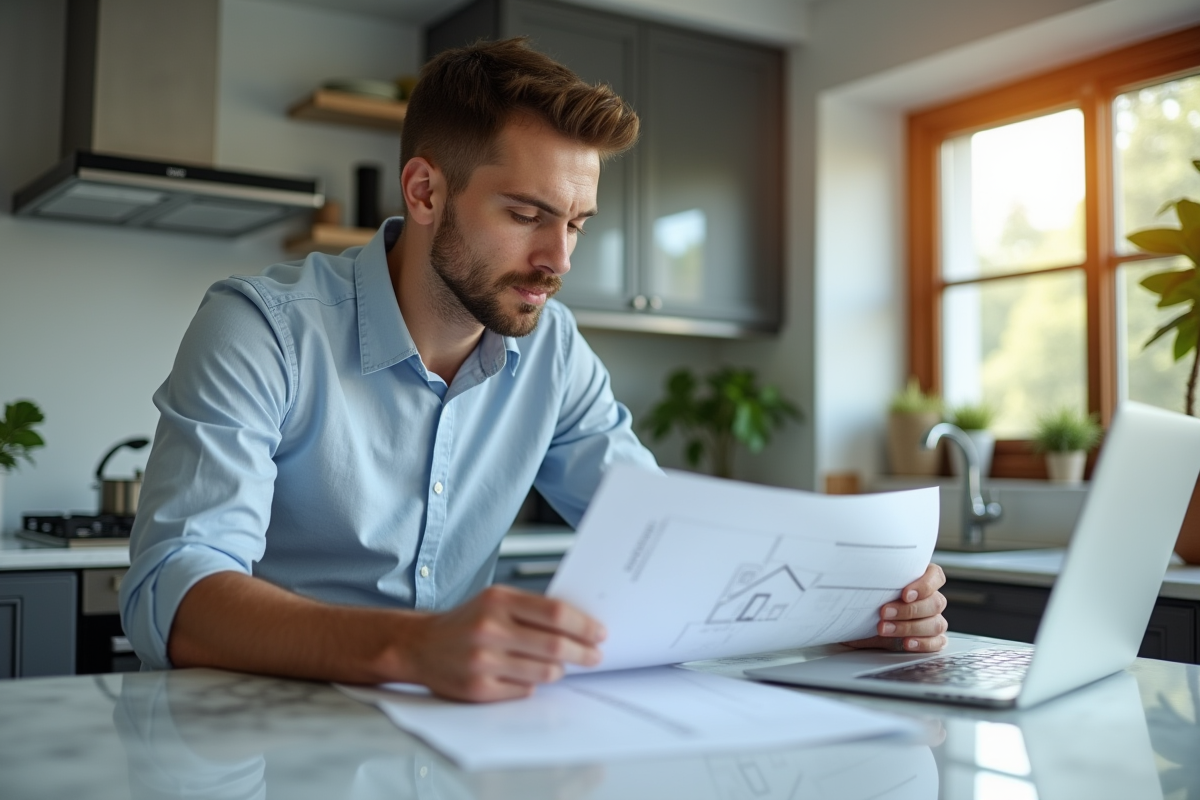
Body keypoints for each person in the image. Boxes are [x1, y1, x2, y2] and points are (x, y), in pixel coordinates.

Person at [120, 37, 948, 703]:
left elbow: (672, 542)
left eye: (578, 225)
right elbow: (176, 591)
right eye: (526, 215)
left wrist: (848, 608)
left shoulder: (553, 351)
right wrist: (413, 645)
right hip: (257, 736)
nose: (557, 260)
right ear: (425, 191)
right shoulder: (261, 328)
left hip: (460, 732)